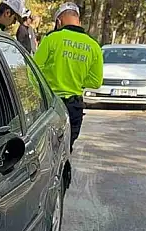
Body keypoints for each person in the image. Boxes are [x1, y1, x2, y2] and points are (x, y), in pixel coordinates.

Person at [34, 2, 102, 152]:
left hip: (50, 105)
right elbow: (96, 82)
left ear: (58, 21)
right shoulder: (93, 45)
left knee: (46, 151)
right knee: (65, 151)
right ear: (78, 20)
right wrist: (76, 79)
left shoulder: (52, 39)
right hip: (74, 107)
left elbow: (33, 72)